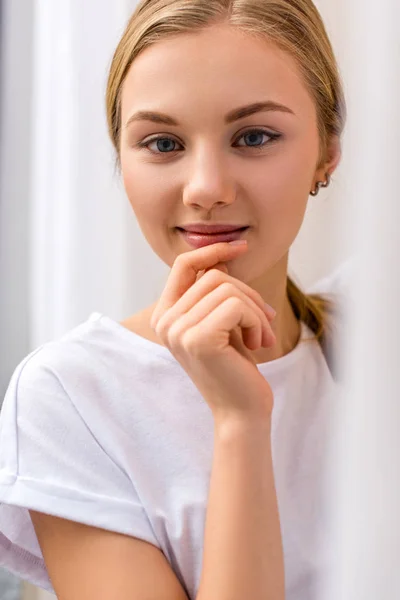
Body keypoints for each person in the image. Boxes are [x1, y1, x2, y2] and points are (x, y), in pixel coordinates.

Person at [0, 0, 353, 598]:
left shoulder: (374, 332)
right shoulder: (72, 397)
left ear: (327, 151)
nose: (206, 188)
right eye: (162, 144)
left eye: (255, 136)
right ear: (121, 158)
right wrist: (239, 422)